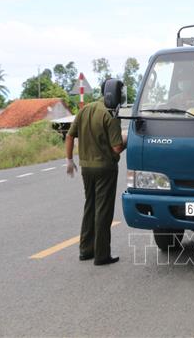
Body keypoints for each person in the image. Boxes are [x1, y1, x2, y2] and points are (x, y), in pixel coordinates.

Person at [65, 84, 126, 266]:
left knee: (90, 206)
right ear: (115, 94)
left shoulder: (85, 110)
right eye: (121, 93)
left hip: (86, 168)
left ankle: (85, 250)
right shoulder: (110, 115)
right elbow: (116, 147)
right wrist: (127, 141)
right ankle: (101, 255)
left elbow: (69, 136)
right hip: (105, 169)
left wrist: (69, 160)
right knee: (103, 211)